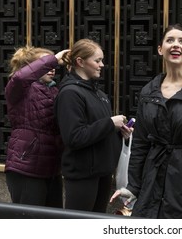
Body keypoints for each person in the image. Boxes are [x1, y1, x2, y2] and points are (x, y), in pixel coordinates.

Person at [111, 24, 182, 219]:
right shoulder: (149, 91)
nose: (176, 45)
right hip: (152, 181)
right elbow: (140, 144)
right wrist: (134, 186)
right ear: (160, 49)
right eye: (170, 40)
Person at [54, 38, 132, 213]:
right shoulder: (70, 93)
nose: (102, 65)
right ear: (80, 62)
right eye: (97, 60)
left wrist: (119, 132)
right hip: (82, 175)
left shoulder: (99, 94)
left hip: (103, 172)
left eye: (101, 60)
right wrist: (110, 123)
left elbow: (97, 131)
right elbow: (74, 137)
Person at [5, 45, 69, 207]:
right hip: (26, 167)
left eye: (54, 66)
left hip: (52, 168)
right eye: (45, 64)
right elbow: (20, 78)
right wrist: (54, 59)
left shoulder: (55, 90)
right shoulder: (19, 88)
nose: (52, 68)